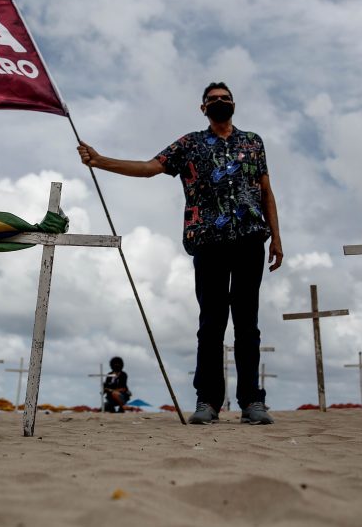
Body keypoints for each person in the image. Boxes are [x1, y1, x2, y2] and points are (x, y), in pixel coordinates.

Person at [78, 82, 282, 425]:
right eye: (212, 100)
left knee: (248, 324)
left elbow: (265, 191)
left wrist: (276, 238)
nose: (219, 102)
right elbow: (148, 168)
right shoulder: (190, 144)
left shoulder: (253, 142)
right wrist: (100, 161)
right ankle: (208, 402)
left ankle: (252, 402)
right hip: (207, 241)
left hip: (250, 240)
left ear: (234, 104)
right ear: (203, 108)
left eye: (225, 98)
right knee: (211, 324)